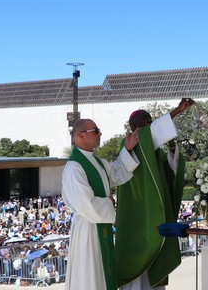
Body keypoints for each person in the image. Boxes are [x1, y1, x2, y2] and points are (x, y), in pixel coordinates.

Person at [115, 98, 194, 290]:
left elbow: (172, 174)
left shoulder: (155, 152)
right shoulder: (132, 145)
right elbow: (150, 133)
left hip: (153, 213)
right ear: (134, 126)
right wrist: (176, 111)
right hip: (138, 216)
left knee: (155, 269)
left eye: (150, 120)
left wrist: (173, 148)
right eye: (145, 121)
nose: (149, 124)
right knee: (137, 268)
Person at [62, 118, 140, 290]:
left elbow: (117, 173)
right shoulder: (74, 168)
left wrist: (127, 149)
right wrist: (109, 203)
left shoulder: (98, 162)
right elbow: (86, 204)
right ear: (81, 136)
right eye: (96, 130)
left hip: (100, 228)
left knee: (102, 277)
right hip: (88, 231)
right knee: (90, 278)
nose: (100, 134)